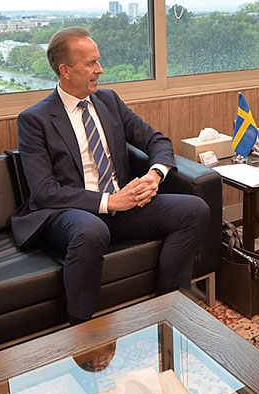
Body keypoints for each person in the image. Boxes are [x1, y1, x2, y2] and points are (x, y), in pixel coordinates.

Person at [12, 27, 210, 324]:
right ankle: (82, 333)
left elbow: (158, 141)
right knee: (92, 231)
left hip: (123, 206)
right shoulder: (35, 120)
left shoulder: (109, 102)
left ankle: (167, 307)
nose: (100, 70)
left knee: (195, 210)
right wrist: (109, 201)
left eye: (98, 61)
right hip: (70, 212)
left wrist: (154, 176)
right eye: (91, 63)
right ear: (65, 70)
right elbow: (44, 191)